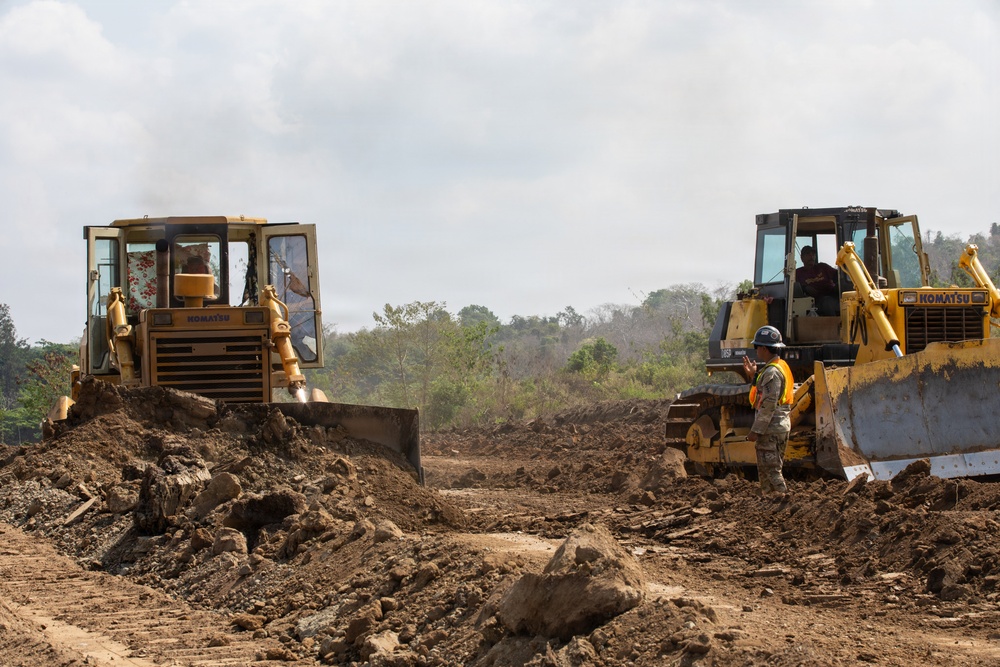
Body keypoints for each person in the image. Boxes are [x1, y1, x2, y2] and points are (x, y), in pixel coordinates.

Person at [742, 325, 793, 498]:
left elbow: (768, 404)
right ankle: (770, 501)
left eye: (757, 347)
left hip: (771, 428)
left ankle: (784, 501)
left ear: (764, 348)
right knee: (766, 470)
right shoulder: (779, 367)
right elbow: (762, 394)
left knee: (771, 471)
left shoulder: (772, 372)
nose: (756, 350)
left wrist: (756, 430)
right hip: (778, 425)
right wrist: (753, 376)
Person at [795, 245, 839, 315]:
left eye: (813, 254)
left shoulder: (823, 267)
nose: (811, 256)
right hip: (814, 302)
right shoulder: (797, 273)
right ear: (802, 258)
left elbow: (839, 276)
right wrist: (805, 288)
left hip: (832, 295)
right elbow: (794, 287)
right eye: (808, 254)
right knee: (826, 302)